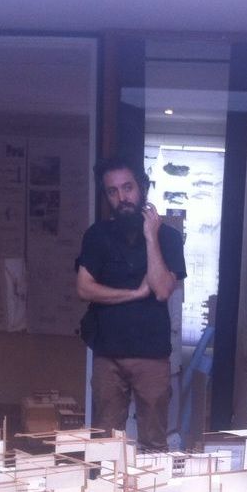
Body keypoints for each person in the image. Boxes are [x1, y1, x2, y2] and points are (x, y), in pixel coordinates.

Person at [77, 157, 186, 451]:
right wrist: (135, 294)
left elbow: (161, 289)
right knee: (105, 445)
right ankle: (107, 483)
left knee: (154, 444)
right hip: (107, 354)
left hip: (152, 355)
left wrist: (151, 237)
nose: (122, 197)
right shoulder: (97, 235)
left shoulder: (169, 237)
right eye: (112, 191)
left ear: (143, 188)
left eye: (128, 188)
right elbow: (84, 288)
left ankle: (149, 485)